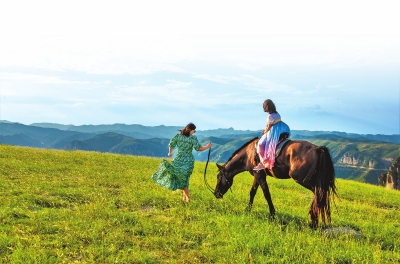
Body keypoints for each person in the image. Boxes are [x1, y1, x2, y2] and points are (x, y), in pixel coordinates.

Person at [152, 123, 212, 202]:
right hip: (188, 160)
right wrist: (207, 146)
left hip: (179, 158)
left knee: (184, 177)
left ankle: (185, 198)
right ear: (190, 130)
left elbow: (171, 144)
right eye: (194, 130)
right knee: (184, 177)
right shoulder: (192, 138)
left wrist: (170, 152)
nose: (194, 132)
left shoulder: (178, 137)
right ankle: (187, 198)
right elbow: (198, 148)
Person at [254, 99, 290, 171]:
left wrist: (264, 132)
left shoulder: (269, 116)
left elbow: (268, 127)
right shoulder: (277, 114)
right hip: (283, 128)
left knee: (260, 144)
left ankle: (263, 162)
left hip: (274, 131)